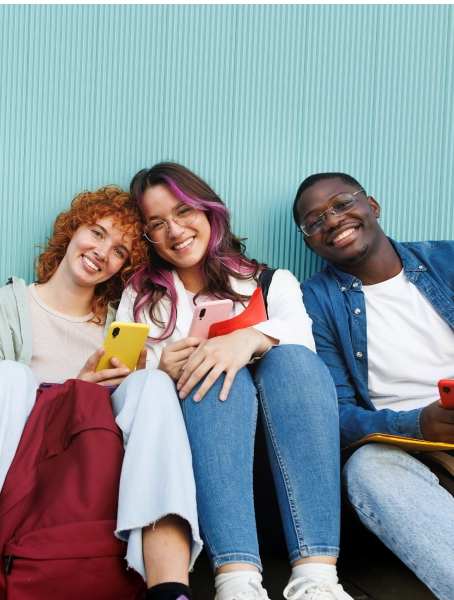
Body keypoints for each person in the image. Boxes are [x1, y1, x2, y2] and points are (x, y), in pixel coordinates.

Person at [0, 186, 201, 600]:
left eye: (118, 251)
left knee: (153, 382)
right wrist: (73, 389)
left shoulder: (124, 324)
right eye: (97, 233)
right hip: (22, 468)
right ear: (73, 230)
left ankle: (170, 589)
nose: (101, 252)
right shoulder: (2, 305)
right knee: (7, 377)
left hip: (93, 469)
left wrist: (116, 387)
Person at [118, 162, 352, 600]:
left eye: (184, 211)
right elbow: (120, 385)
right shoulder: (140, 299)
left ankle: (317, 579)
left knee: (292, 361)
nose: (175, 230)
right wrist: (158, 369)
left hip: (288, 469)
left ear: (209, 211)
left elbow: (304, 346)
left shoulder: (271, 281)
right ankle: (236, 581)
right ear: (148, 237)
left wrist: (248, 339)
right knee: (207, 370)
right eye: (157, 224)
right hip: (205, 473)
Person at [296, 172, 454, 599]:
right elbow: (337, 415)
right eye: (314, 221)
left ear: (373, 206)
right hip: (415, 458)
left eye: (342, 203)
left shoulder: (448, 259)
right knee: (367, 468)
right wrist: (418, 424)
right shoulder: (314, 302)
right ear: (310, 241)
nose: (331, 220)